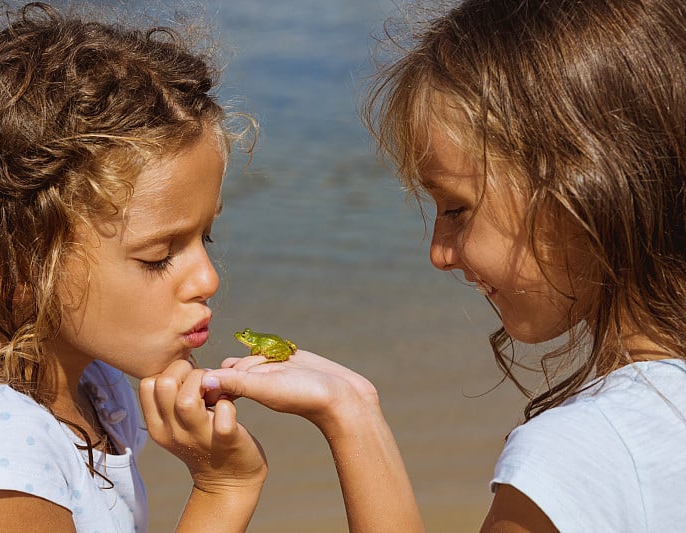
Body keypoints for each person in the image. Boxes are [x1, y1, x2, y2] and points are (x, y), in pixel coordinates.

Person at [201, 0, 686, 531]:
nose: (438, 252)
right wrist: (353, 407)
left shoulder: (582, 454)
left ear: (581, 188)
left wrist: (344, 425)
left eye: (456, 208)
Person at [0, 3, 266, 532]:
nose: (208, 279)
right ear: (17, 266)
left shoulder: (95, 384)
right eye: (158, 257)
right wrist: (223, 488)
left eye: (205, 236)